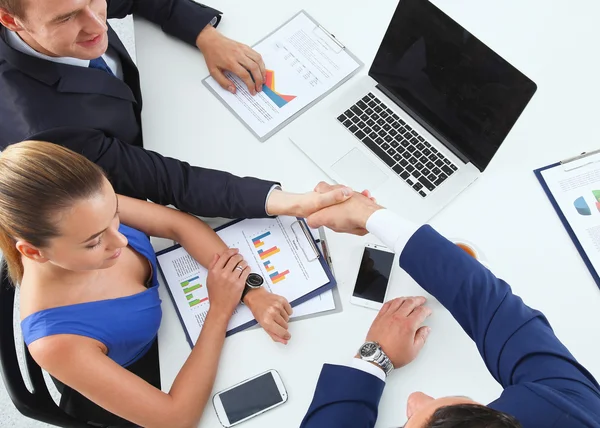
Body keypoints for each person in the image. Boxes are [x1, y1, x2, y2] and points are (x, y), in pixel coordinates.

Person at [0, 142, 353, 427]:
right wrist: (219, 309)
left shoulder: (84, 207)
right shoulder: (55, 343)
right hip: (151, 377)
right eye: (94, 241)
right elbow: (176, 418)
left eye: (116, 217)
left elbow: (178, 225)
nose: (120, 241)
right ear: (33, 251)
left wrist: (251, 290)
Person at [300, 183, 600, 428]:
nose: (416, 399)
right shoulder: (566, 412)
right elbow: (491, 306)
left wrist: (372, 359)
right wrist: (369, 214)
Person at [0, 0, 331, 219]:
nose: (96, 24)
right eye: (67, 18)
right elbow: (170, 182)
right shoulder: (47, 131)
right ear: (10, 20)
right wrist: (291, 202)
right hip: (118, 183)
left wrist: (206, 36)